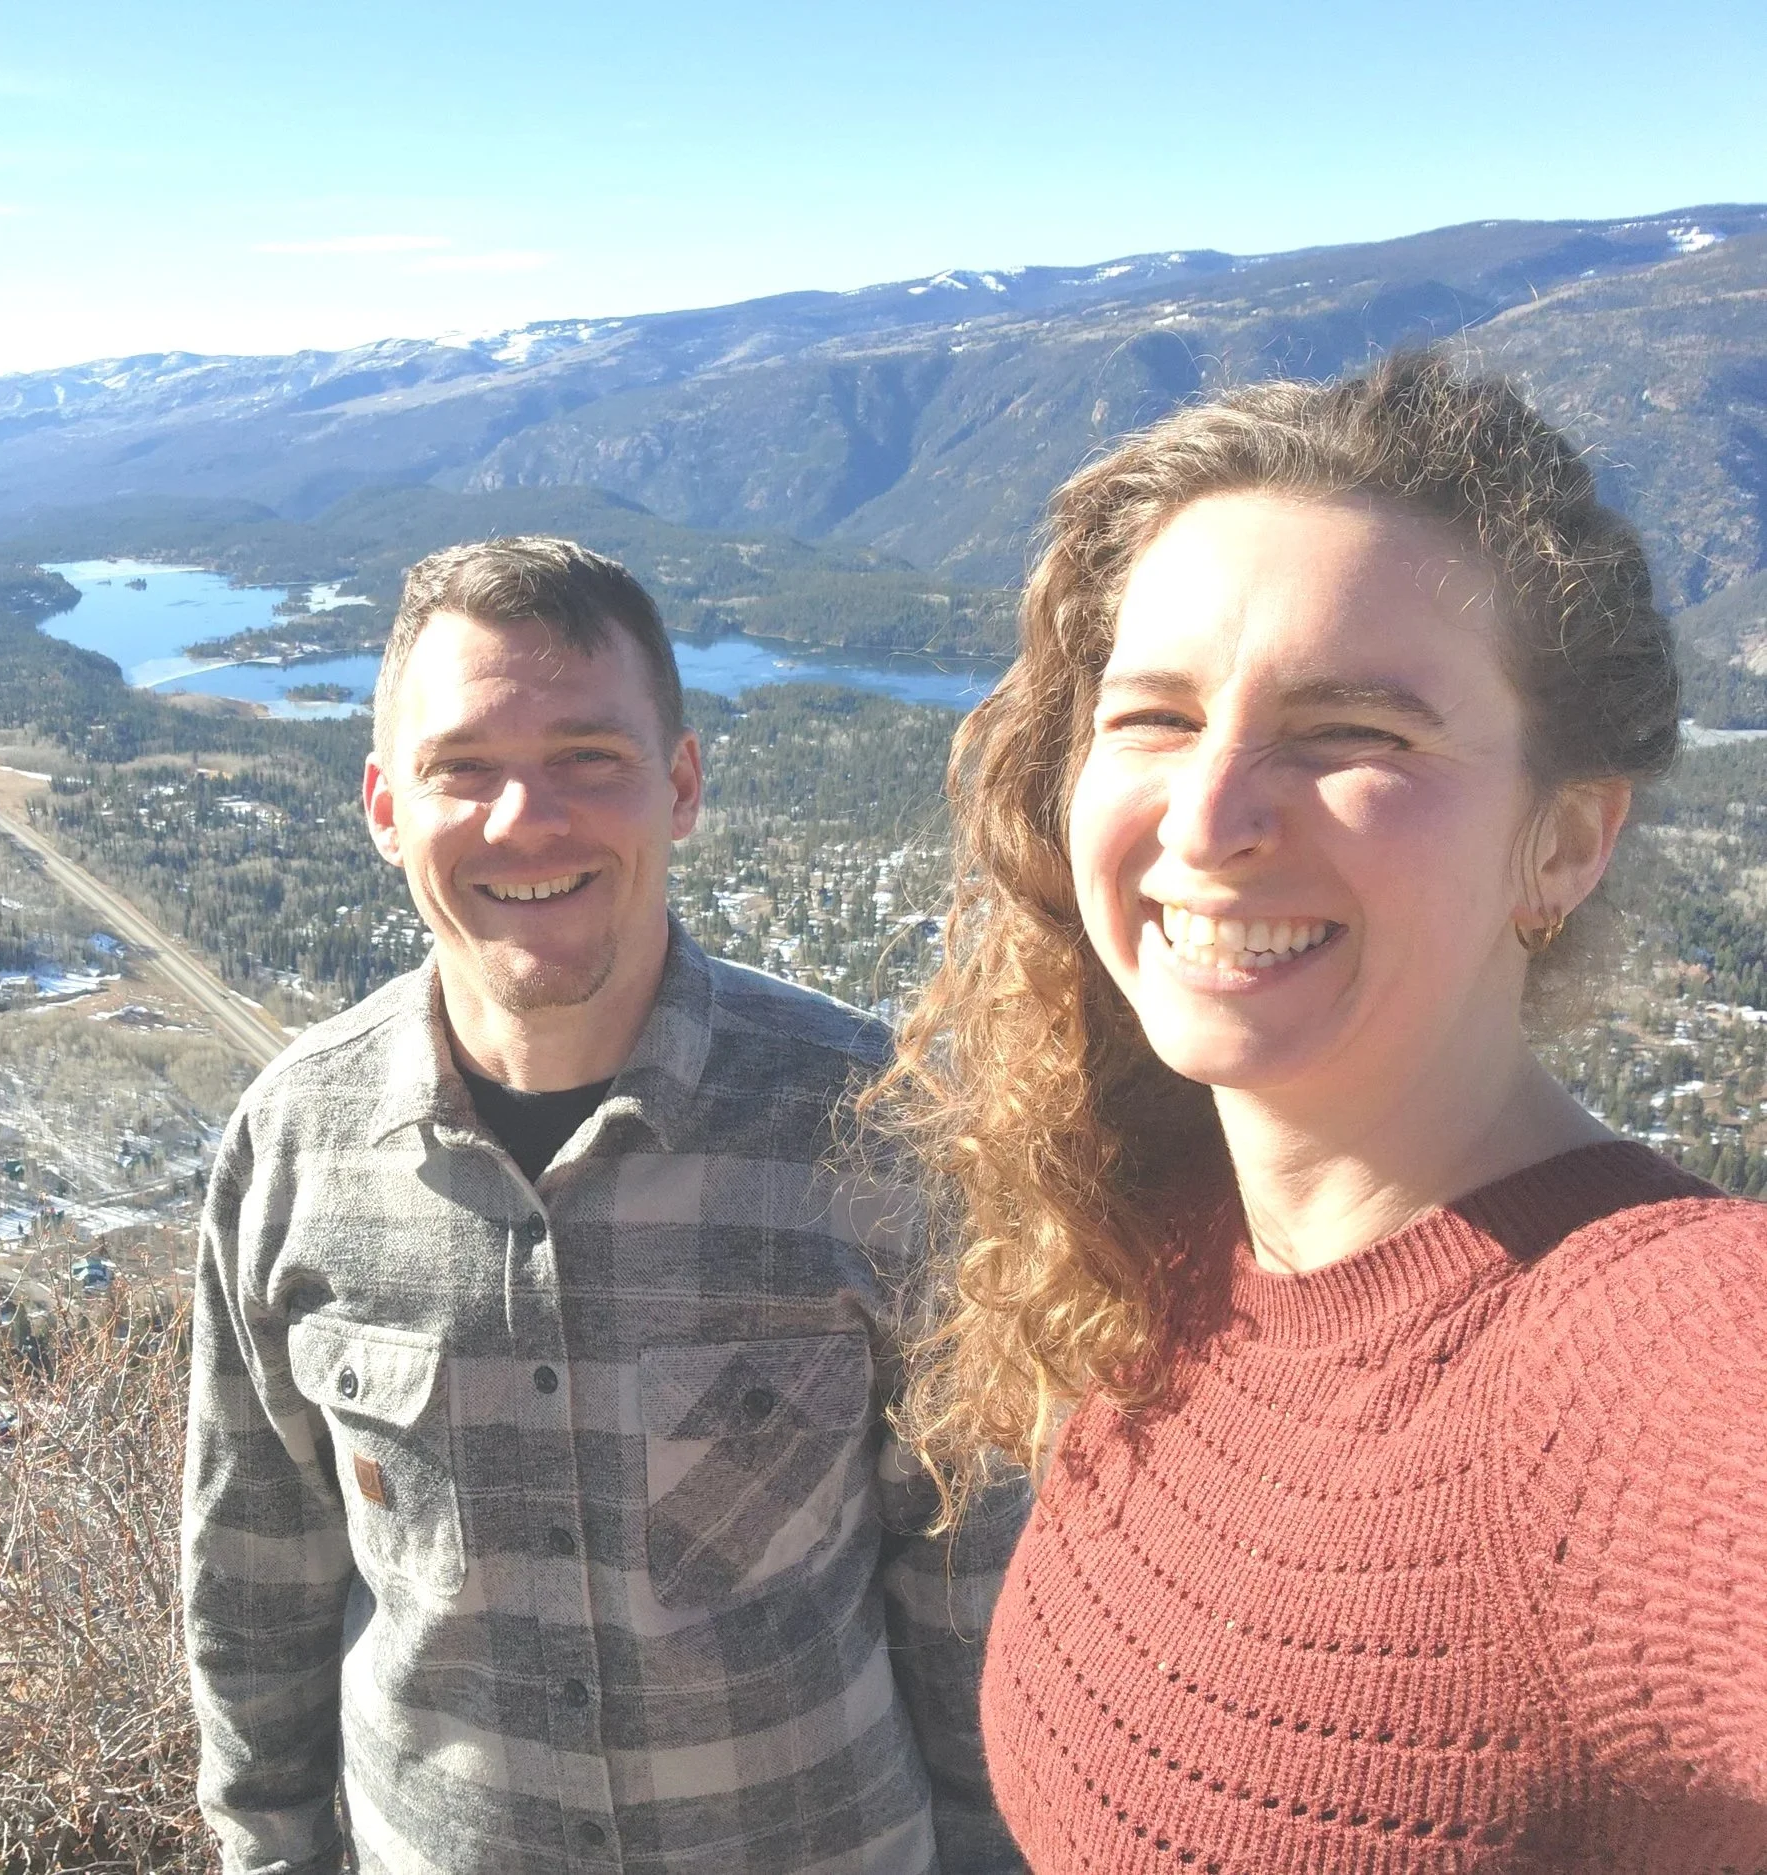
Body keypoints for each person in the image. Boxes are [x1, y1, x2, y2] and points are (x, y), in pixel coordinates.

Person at [869, 350, 1767, 1871]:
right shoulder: (1157, 1242)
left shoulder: (1628, 1361)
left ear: (1562, 840)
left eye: (1357, 730)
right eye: (1155, 716)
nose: (1212, 818)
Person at [182, 536, 1026, 1875]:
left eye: (589, 756)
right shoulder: (291, 1149)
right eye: (464, 767)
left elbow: (974, 1588)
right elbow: (254, 1583)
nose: (528, 819)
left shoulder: (873, 1127)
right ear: (385, 805)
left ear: (679, 785)